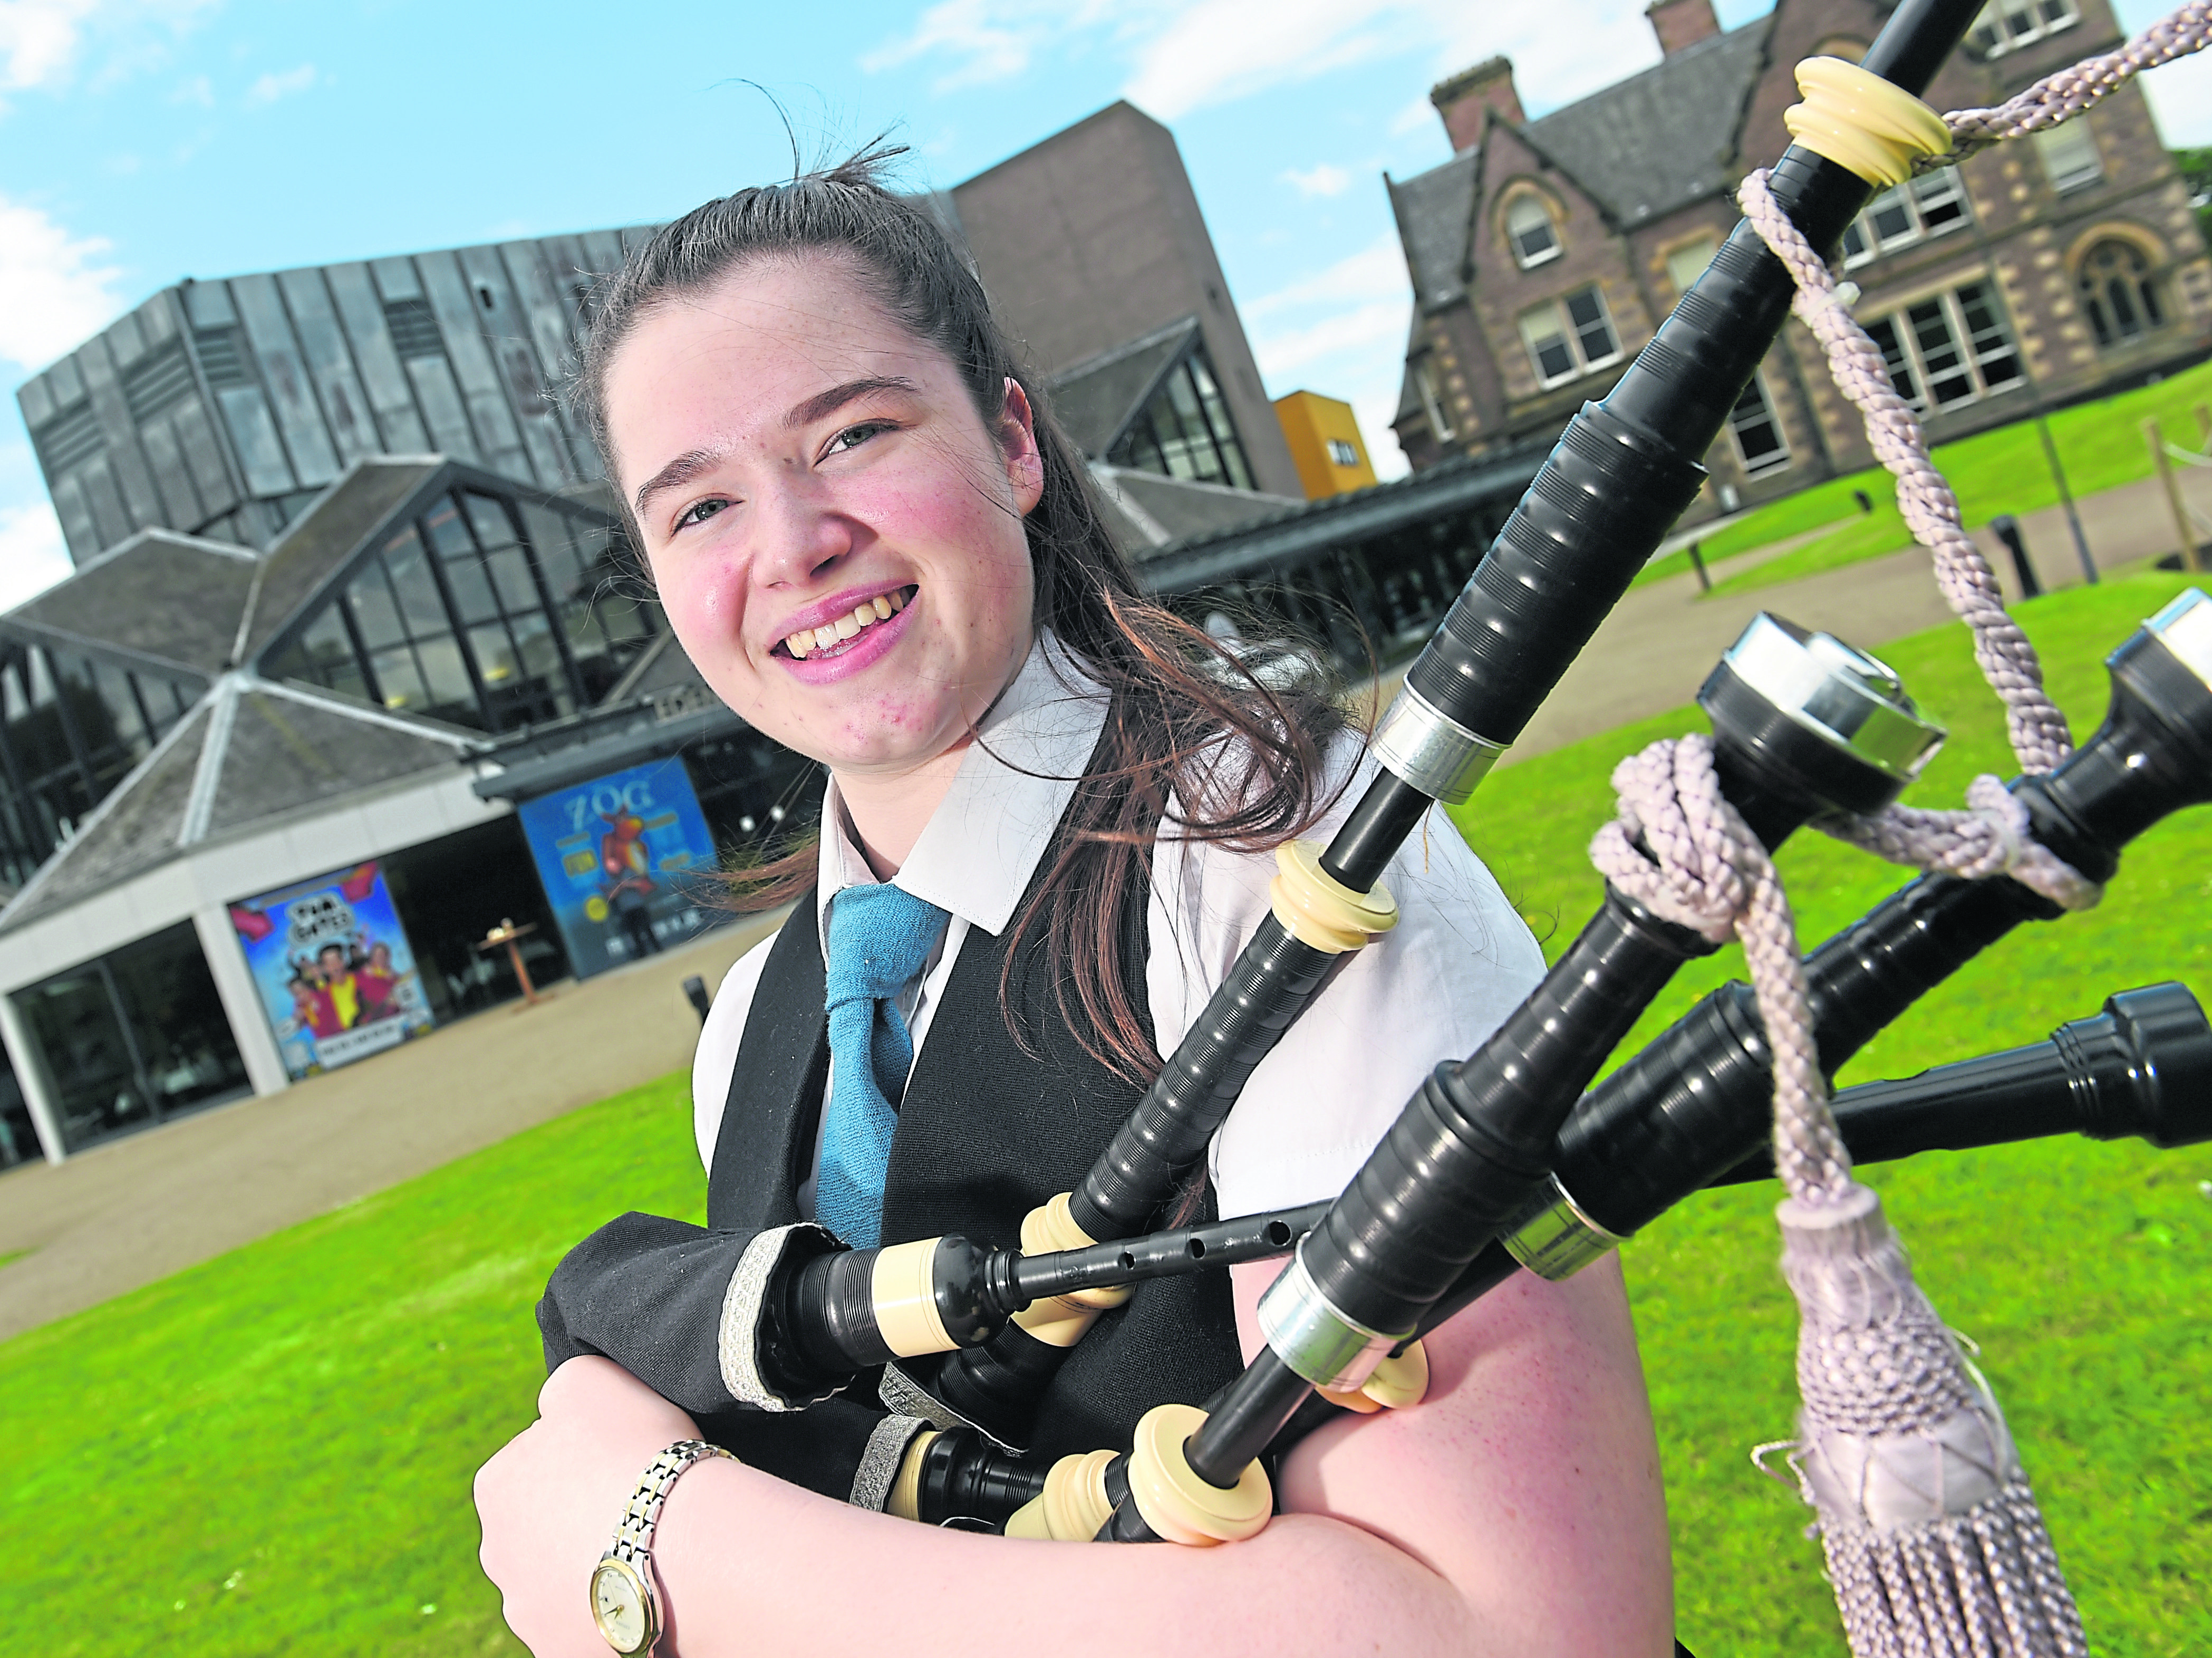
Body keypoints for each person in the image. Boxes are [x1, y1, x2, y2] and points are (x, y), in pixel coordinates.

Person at [472, 152, 1672, 1657]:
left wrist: (670, 1537)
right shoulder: (759, 1039)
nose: (789, 544)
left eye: (851, 433)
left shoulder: (1281, 859)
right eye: (698, 508)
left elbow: (1521, 1630)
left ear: (1015, 442)